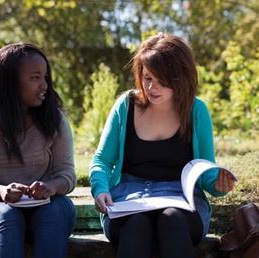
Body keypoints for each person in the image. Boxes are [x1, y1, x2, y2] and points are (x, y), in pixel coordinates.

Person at [89, 32, 236, 258]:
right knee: (137, 224)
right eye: (147, 78)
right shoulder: (126, 106)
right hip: (128, 201)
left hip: (182, 204)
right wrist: (100, 190)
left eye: (162, 81)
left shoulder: (196, 111)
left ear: (181, 78)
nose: (152, 88)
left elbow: (205, 171)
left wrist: (219, 185)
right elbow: (102, 160)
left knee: (171, 220)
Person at [0, 43, 77, 258]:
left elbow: (67, 176)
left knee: (56, 211)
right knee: (7, 215)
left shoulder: (55, 120)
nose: (44, 85)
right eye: (35, 78)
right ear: (9, 81)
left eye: (45, 77)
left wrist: (50, 186)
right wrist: (1, 191)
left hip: (46, 212)